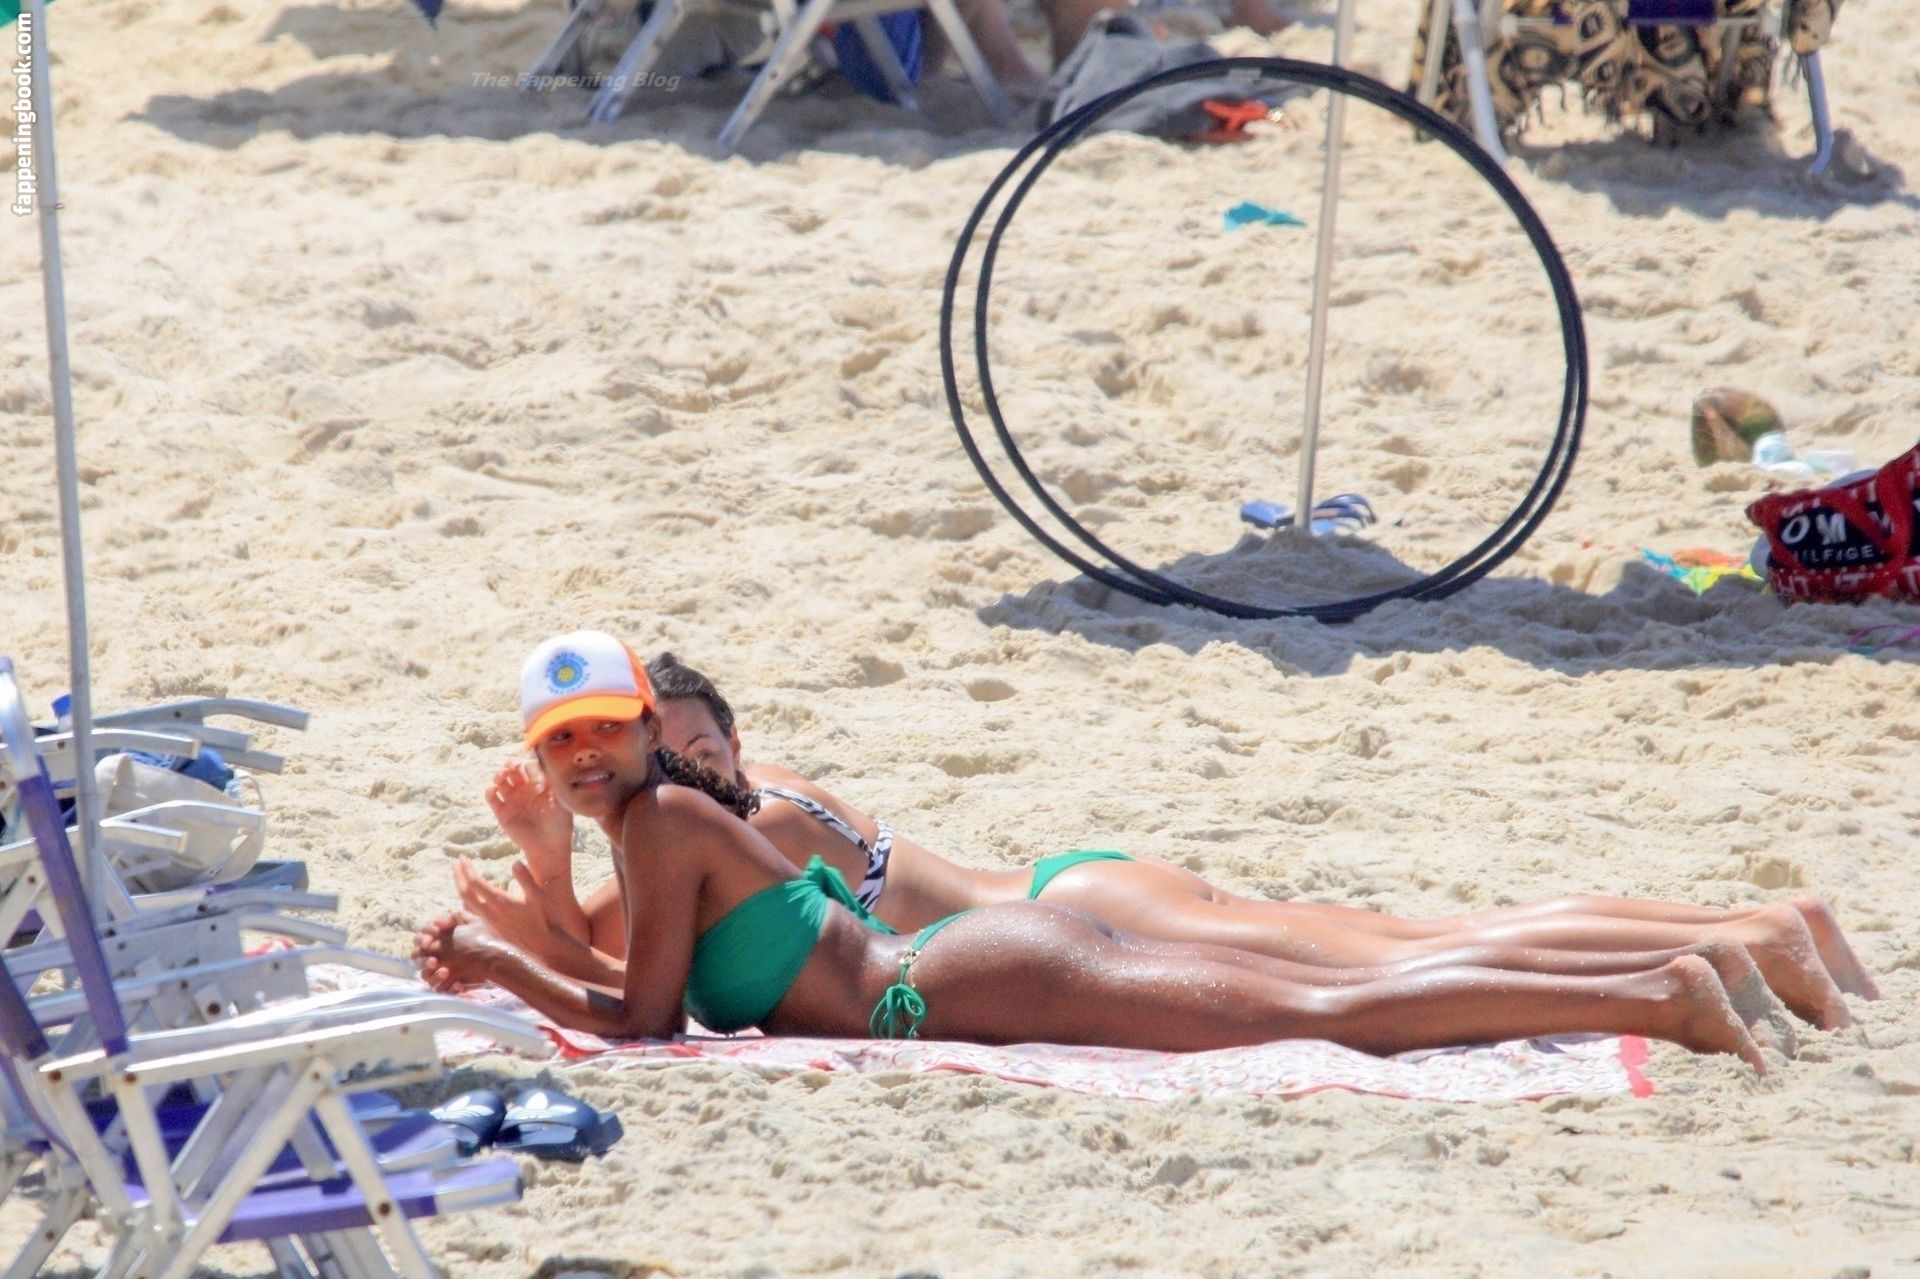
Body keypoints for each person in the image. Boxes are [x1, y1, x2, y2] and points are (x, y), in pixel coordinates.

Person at [418, 630, 1778, 1071]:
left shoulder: (666, 821)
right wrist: (524, 924)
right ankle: (1665, 975)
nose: (583, 757)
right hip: (985, 950)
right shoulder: (669, 828)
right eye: (559, 743)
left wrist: (496, 959)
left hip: (964, 974)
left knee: (1338, 1006)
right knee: (1348, 980)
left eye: (603, 730)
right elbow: (635, 982)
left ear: (646, 730)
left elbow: (644, 1023)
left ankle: (1661, 992)